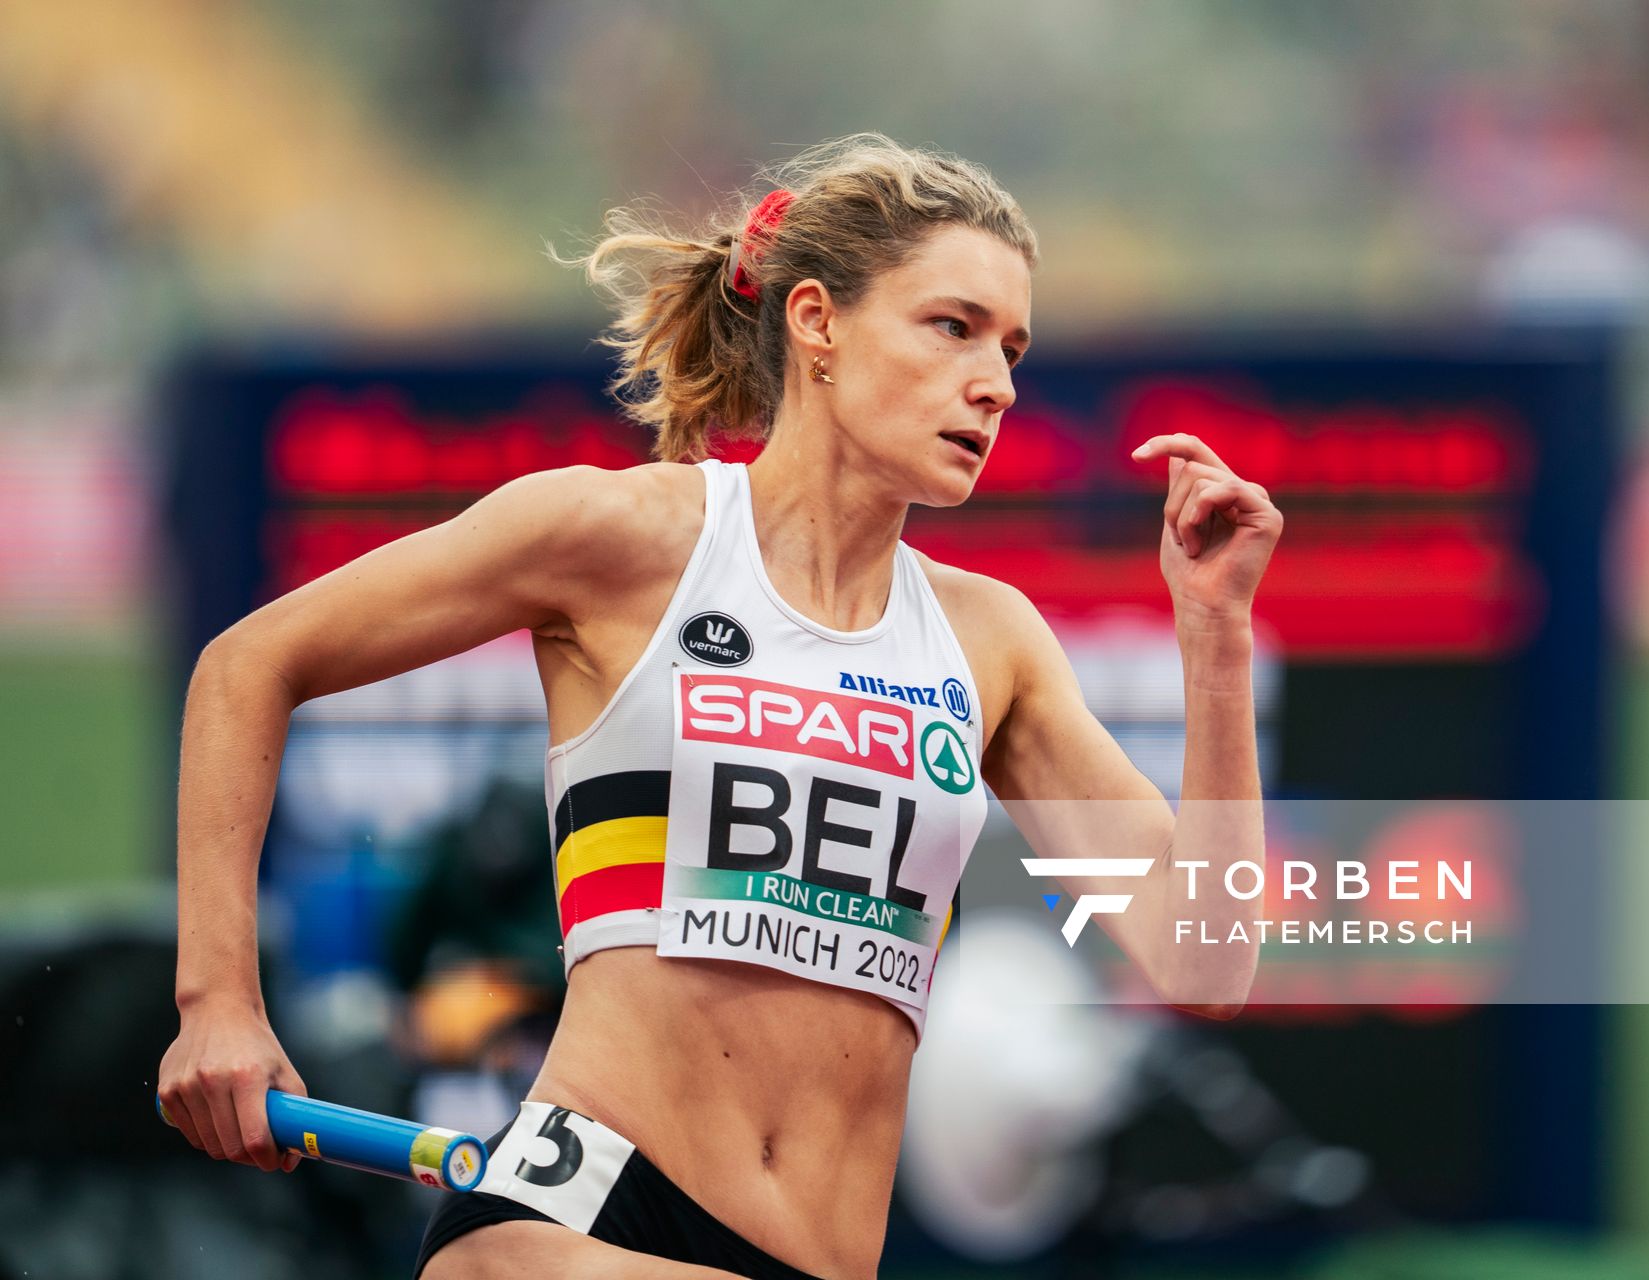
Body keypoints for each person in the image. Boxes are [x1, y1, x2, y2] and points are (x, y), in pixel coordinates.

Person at [157, 132, 1282, 1280]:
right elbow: (247, 667)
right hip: (574, 1215)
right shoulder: (621, 539)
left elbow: (1207, 960)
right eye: (953, 325)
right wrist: (219, 1004)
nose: (994, 380)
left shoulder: (990, 642)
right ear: (817, 322)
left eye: (1012, 346)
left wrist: (1217, 637)